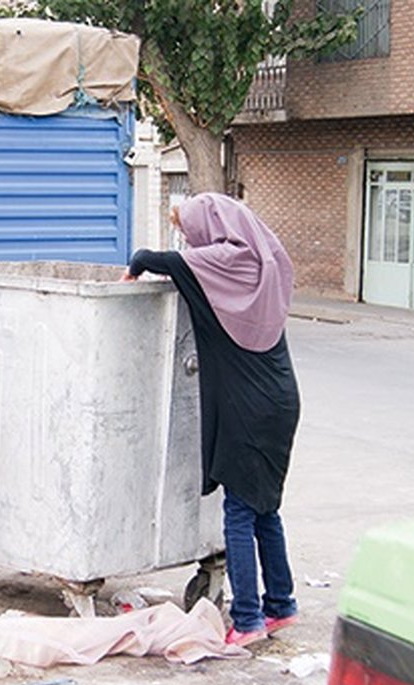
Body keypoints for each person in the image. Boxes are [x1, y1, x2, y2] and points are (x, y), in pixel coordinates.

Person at [123, 193, 300, 647]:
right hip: (281, 399)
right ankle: (280, 604)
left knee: (238, 512)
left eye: (188, 228)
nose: (187, 239)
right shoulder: (266, 262)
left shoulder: (218, 262)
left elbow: (150, 257)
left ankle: (246, 619)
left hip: (247, 406)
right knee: (265, 508)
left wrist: (134, 269)